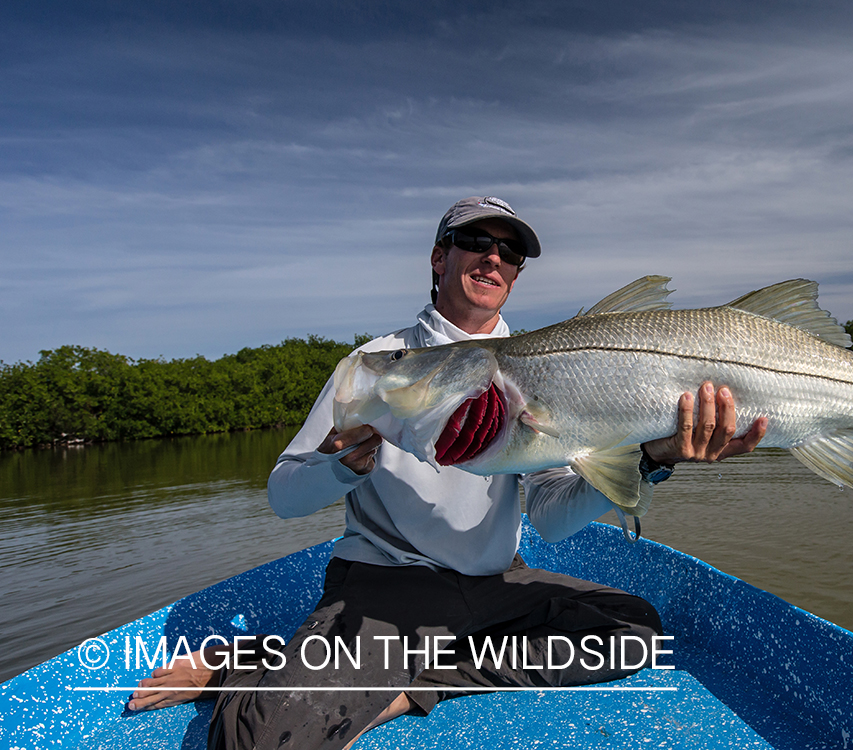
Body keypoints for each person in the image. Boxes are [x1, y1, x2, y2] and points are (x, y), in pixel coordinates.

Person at [128, 196, 767, 749]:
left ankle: (412, 682)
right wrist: (344, 464)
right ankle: (247, 669)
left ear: (515, 276)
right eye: (474, 241)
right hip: (387, 588)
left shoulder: (545, 368)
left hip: (493, 585)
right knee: (254, 740)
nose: (492, 258)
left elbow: (550, 517)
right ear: (440, 258)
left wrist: (653, 459)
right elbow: (284, 497)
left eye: (509, 253)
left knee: (634, 634)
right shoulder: (378, 364)